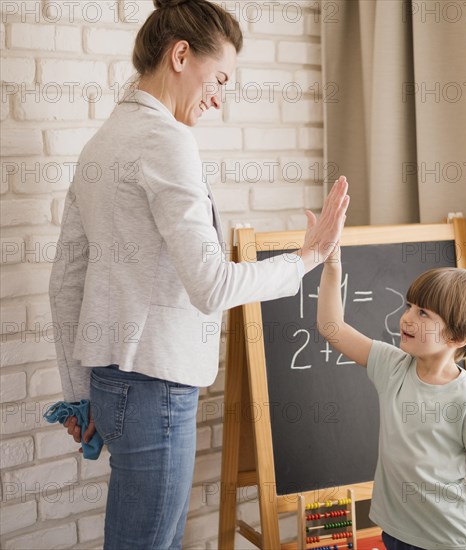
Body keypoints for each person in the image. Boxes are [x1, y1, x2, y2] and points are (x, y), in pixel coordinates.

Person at [50, 0, 349, 548]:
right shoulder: (166, 140)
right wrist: (307, 259)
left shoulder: (103, 141)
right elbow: (210, 284)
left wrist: (78, 392)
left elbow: (65, 281)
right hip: (158, 390)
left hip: (110, 387)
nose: (220, 97)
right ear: (181, 55)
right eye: (220, 78)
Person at [317, 246, 466, 550]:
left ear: (456, 338)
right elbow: (332, 328)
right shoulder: (392, 366)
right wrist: (332, 266)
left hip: (448, 541)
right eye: (409, 306)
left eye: (423, 313)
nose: (406, 318)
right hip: (396, 533)